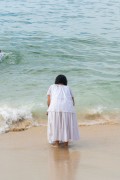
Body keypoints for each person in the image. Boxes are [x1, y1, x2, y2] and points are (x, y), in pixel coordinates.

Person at [47, 74, 80, 147]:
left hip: (54, 108)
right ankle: (66, 144)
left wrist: (48, 110)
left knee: (55, 125)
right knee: (66, 126)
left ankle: (57, 144)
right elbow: (72, 101)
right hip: (67, 108)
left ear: (56, 81)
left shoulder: (52, 87)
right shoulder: (68, 88)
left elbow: (49, 100)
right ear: (65, 81)